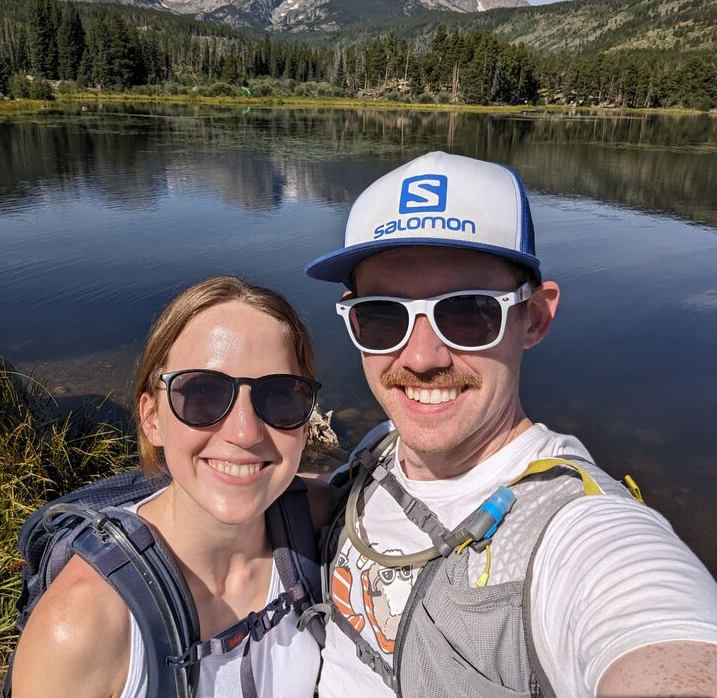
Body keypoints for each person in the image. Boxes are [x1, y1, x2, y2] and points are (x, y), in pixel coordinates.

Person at [304, 152, 717, 698]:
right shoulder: (382, 447)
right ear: (352, 317)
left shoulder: (577, 536)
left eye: (468, 312)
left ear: (536, 317)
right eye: (383, 315)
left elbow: (656, 635)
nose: (422, 356)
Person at [11, 276, 325, 698]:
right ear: (151, 417)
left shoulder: (318, 521)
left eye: (281, 396)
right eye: (202, 393)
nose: (245, 432)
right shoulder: (81, 628)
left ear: (306, 421)